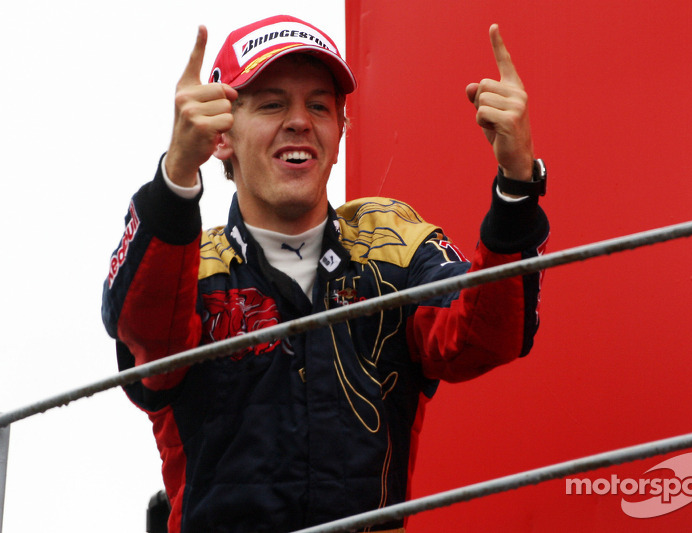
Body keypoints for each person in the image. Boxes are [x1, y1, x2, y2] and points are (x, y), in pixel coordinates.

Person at [102, 14, 549, 533]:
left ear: (339, 132)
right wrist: (177, 175)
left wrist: (517, 184)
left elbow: (483, 335)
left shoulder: (392, 241)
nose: (299, 121)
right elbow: (146, 342)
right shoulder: (189, 266)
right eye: (272, 104)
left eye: (319, 105)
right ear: (221, 137)